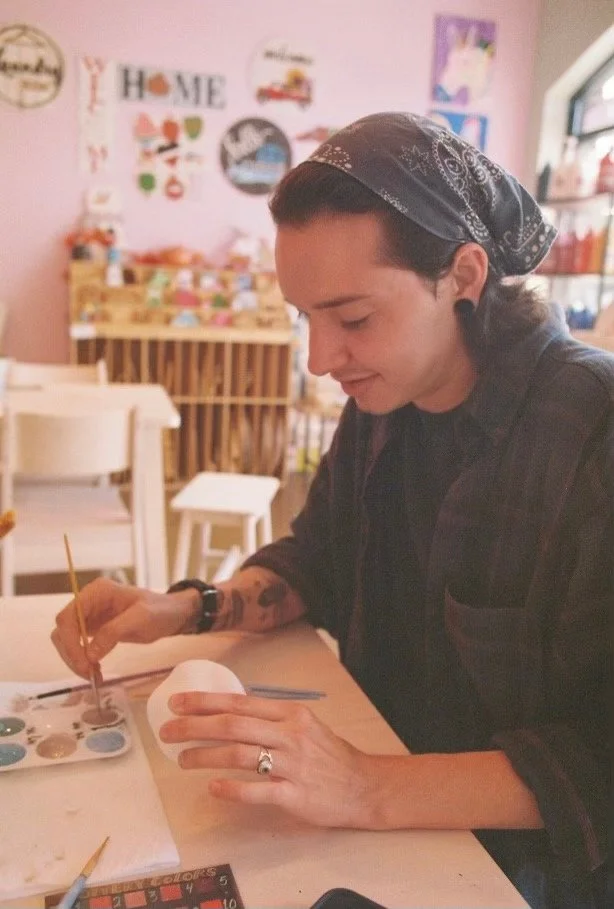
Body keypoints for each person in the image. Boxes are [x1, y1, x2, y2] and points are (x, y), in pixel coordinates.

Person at [52, 113, 610, 909]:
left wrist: (363, 785)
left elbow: (597, 761)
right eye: (305, 318)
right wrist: (183, 607)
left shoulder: (590, 431)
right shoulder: (386, 401)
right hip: (371, 819)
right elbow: (318, 556)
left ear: (463, 274)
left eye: (353, 319)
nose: (319, 360)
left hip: (520, 872)